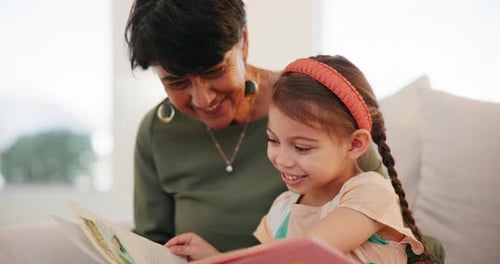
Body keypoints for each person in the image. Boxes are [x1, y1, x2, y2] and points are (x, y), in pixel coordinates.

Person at [124, 0, 444, 262]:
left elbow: (387, 227)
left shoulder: (312, 105)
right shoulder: (157, 134)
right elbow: (152, 243)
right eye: (177, 83)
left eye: (214, 71)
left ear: (244, 42)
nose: (203, 98)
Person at [165, 55, 442, 263]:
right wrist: (212, 256)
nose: (282, 159)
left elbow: (303, 255)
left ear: (355, 144)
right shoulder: (283, 209)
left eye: (302, 148)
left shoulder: (370, 192)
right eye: (273, 140)